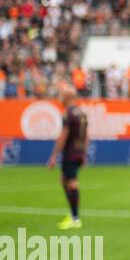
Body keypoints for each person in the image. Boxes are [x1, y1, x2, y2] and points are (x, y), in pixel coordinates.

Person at [46, 82, 88, 230]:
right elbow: (86, 135)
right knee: (64, 180)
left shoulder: (68, 114)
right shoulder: (81, 113)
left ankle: (75, 218)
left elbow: (63, 136)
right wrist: (85, 153)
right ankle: (73, 214)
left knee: (71, 182)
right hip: (79, 152)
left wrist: (53, 156)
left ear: (67, 97)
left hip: (70, 153)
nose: (59, 98)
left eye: (61, 95)